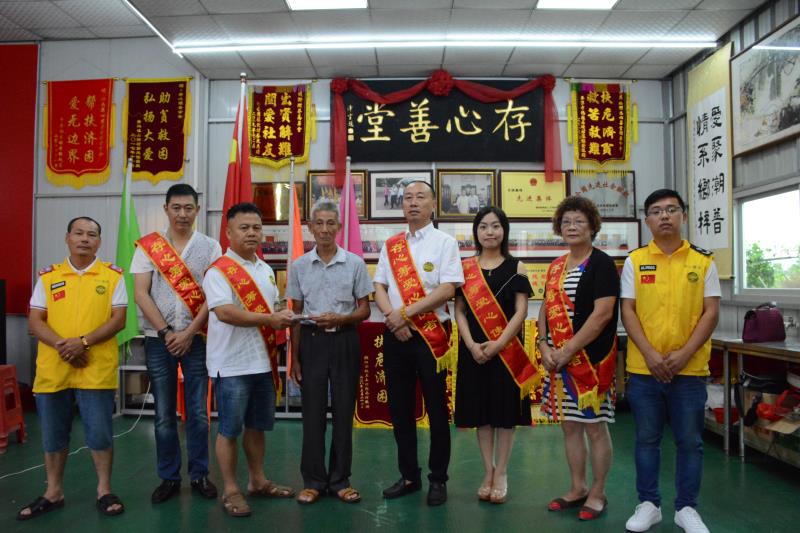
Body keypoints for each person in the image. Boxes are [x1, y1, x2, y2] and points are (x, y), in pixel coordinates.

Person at [621, 189, 720, 533]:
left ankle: (686, 508)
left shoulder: (703, 261)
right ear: (647, 219)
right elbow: (628, 310)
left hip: (689, 370)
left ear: (683, 216)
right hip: (643, 369)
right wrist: (651, 355)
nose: (664, 216)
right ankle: (649, 504)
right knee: (647, 439)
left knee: (690, 442)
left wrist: (684, 354)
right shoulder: (635, 261)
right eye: (656, 211)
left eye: (671, 209)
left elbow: (711, 312)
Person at [18, 217, 127, 520]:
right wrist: (64, 347)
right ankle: (53, 492)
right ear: (67, 238)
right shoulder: (49, 277)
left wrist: (83, 343)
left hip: (95, 369)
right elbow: (35, 320)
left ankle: (104, 490)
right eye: (78, 233)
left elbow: (118, 320)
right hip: (54, 369)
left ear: (99, 242)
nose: (84, 239)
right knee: (53, 434)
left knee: (100, 433)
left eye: (92, 234)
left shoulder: (113, 277)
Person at [202, 203, 296, 517]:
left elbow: (272, 308)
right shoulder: (218, 271)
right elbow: (224, 312)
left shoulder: (266, 270)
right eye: (244, 228)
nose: (252, 233)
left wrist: (283, 315)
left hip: (262, 363)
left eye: (256, 227)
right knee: (229, 429)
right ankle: (231, 489)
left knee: (257, 427)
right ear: (228, 232)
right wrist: (270, 319)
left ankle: (257, 481)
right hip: (231, 365)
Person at [374, 180, 464, 506]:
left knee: (437, 410)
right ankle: (409, 476)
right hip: (396, 335)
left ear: (433, 204)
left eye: (420, 197)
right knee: (400, 410)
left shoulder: (445, 243)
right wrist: (392, 318)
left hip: (431, 336)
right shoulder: (392, 245)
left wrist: (405, 315)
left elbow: (447, 289)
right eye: (408, 197)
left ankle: (438, 479)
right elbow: (379, 287)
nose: (413, 202)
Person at [132, 183, 222, 503]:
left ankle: (199, 474)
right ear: (166, 209)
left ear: (197, 210)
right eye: (176, 208)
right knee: (164, 413)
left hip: (197, 339)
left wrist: (189, 332)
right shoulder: (149, 247)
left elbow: (214, 295)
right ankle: (169, 477)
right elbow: (141, 292)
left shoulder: (211, 247)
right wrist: (166, 332)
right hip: (159, 341)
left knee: (198, 412)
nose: (182, 214)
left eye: (188, 208)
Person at [537, 196, 620, 521]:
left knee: (595, 428)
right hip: (559, 362)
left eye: (579, 221)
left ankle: (598, 492)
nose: (571, 227)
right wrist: (544, 346)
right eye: (566, 222)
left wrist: (568, 350)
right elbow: (545, 309)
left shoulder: (602, 264)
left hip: (590, 362)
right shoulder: (557, 266)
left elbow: (602, 315)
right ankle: (577, 488)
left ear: (592, 226)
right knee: (570, 426)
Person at [287, 199, 373, 505]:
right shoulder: (299, 266)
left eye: (330, 223)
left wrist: (340, 318)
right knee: (312, 415)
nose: (325, 229)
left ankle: (340, 480)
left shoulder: (355, 263)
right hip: (311, 342)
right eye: (319, 223)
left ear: (339, 227)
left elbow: (364, 310)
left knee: (343, 412)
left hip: (344, 341)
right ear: (310, 227)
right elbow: (296, 315)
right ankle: (312, 481)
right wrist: (295, 358)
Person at [453, 206, 533, 505]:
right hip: (473, 351)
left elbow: (521, 311)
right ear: (476, 232)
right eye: (484, 226)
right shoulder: (465, 268)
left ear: (504, 230)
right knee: (482, 414)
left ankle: (502, 472)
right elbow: (459, 311)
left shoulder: (517, 267)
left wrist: (499, 343)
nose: (489, 232)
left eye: (496, 226)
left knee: (504, 414)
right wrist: (472, 345)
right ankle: (488, 471)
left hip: (507, 350)